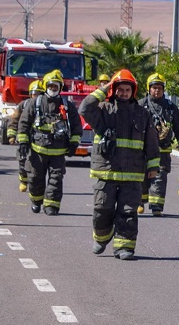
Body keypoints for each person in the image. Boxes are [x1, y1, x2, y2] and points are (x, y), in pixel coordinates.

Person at [79, 70, 160, 260]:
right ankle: (101, 237)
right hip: (105, 171)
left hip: (132, 173)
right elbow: (84, 108)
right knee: (102, 209)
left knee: (128, 212)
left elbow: (151, 142)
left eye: (127, 90)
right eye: (120, 89)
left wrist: (153, 167)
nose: (123, 93)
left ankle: (125, 247)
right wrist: (104, 88)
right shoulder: (103, 110)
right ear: (114, 90)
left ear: (133, 92)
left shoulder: (143, 114)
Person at [17, 70, 82, 216]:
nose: (53, 89)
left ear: (60, 87)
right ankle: (36, 201)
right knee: (35, 179)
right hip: (37, 151)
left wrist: (74, 143)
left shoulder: (67, 106)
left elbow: (77, 126)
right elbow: (24, 123)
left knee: (56, 180)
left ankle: (51, 206)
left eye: (56, 86)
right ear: (46, 86)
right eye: (51, 86)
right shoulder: (35, 103)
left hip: (58, 153)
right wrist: (22, 142)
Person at [138, 73, 179, 217]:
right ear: (149, 88)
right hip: (142, 151)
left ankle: (157, 207)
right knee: (141, 178)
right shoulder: (140, 106)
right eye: (154, 88)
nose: (157, 91)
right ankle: (140, 202)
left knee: (159, 178)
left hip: (162, 151)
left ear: (163, 89)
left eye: (159, 88)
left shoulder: (171, 108)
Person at [8, 79, 44, 193]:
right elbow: (14, 120)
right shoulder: (23, 105)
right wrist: (12, 136)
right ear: (30, 94)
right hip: (24, 138)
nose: (36, 96)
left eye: (39, 94)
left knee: (38, 164)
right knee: (22, 160)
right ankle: (23, 181)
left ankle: (36, 184)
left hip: (39, 140)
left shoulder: (45, 106)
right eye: (35, 94)